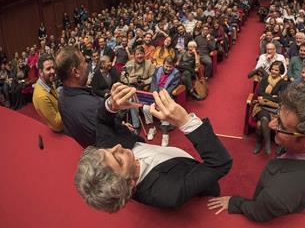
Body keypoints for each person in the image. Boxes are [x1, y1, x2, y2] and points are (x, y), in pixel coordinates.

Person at [74, 85, 233, 212]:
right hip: (202, 183)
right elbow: (219, 163)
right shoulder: (169, 193)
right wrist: (185, 122)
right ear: (129, 184)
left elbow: (101, 121)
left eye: (107, 151)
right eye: (118, 159)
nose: (116, 147)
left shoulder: (108, 155)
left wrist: (111, 105)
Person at [207, 83, 305, 222]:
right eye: (277, 116)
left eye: (281, 126)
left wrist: (235, 202)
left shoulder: (276, 196)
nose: (271, 125)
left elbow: (257, 212)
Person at [57, 46, 103, 147]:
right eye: (84, 61)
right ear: (76, 72)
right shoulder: (94, 106)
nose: (87, 65)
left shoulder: (61, 99)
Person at [250, 61, 289, 155]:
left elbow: (280, 99)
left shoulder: (283, 83)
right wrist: (273, 97)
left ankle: (259, 143)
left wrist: (266, 97)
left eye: (276, 70)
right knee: (263, 116)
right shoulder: (265, 79)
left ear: (280, 72)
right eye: (272, 69)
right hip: (260, 106)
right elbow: (260, 93)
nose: (273, 71)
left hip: (273, 109)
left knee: (260, 124)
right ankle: (267, 144)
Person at [144, 56, 181, 146]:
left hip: (167, 96)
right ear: (163, 64)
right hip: (155, 94)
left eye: (170, 67)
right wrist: (155, 96)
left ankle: (165, 133)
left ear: (174, 66)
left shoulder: (176, 74)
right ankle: (152, 127)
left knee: (165, 109)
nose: (168, 68)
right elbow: (153, 84)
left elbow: (170, 89)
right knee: (145, 108)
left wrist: (160, 100)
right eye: (166, 66)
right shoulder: (157, 70)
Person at [32, 54, 63, 133]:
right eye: (48, 69)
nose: (53, 71)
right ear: (40, 72)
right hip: (61, 131)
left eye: (53, 67)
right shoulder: (41, 96)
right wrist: (67, 104)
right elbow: (58, 124)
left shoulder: (46, 82)